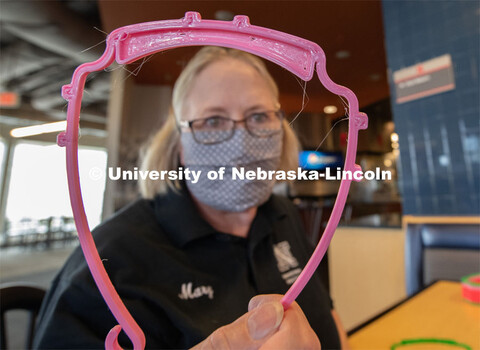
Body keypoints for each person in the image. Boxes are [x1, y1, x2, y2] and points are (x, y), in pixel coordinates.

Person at [33, 46, 349, 349]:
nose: (240, 142)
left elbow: (329, 317)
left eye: (258, 116)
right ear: (179, 144)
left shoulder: (284, 215)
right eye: (213, 120)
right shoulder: (109, 264)